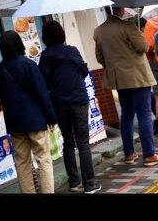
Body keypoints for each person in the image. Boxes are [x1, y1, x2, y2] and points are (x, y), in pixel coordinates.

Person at [94, 7, 158, 167]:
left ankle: (129, 153)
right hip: (137, 76)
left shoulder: (99, 31)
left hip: (119, 80)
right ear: (120, 9)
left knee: (127, 114)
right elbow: (143, 47)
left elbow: (100, 57)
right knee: (143, 114)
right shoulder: (128, 26)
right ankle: (149, 154)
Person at [39, 21, 101, 194]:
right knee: (83, 143)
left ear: (45, 38)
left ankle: (74, 182)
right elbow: (84, 71)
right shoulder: (72, 51)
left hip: (59, 103)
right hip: (79, 100)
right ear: (61, 34)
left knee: (67, 142)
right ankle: (90, 184)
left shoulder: (45, 57)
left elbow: (43, 81)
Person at [0, 31, 57, 194]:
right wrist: (51, 117)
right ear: (19, 44)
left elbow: (2, 99)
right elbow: (42, 93)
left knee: (22, 162)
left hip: (15, 123)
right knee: (43, 159)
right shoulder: (28, 64)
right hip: (35, 120)